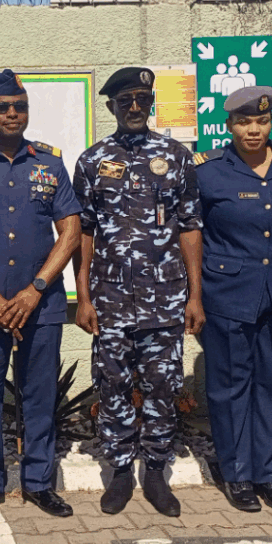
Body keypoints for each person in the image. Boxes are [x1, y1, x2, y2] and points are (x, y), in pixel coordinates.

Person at [0, 69, 82, 522]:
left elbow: (70, 232)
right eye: (2, 107)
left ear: (27, 112)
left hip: (40, 306)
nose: (11, 114)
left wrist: (35, 289)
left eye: (18, 107)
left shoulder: (51, 164)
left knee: (39, 396)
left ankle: (40, 483)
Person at [73, 66, 205, 517]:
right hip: (109, 300)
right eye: (125, 101)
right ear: (110, 106)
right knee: (111, 386)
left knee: (163, 386)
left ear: (151, 105)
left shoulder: (176, 156)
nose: (134, 108)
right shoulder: (91, 161)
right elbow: (83, 232)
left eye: (142, 101)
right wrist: (84, 296)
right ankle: (121, 472)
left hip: (164, 299)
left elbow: (190, 226)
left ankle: (155, 471)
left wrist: (194, 295)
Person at [195, 86, 272, 512]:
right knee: (230, 387)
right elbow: (193, 234)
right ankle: (237, 474)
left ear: (270, 122)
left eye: (261, 121)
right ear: (229, 125)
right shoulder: (207, 171)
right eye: (244, 122)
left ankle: (269, 474)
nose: (253, 130)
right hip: (227, 293)